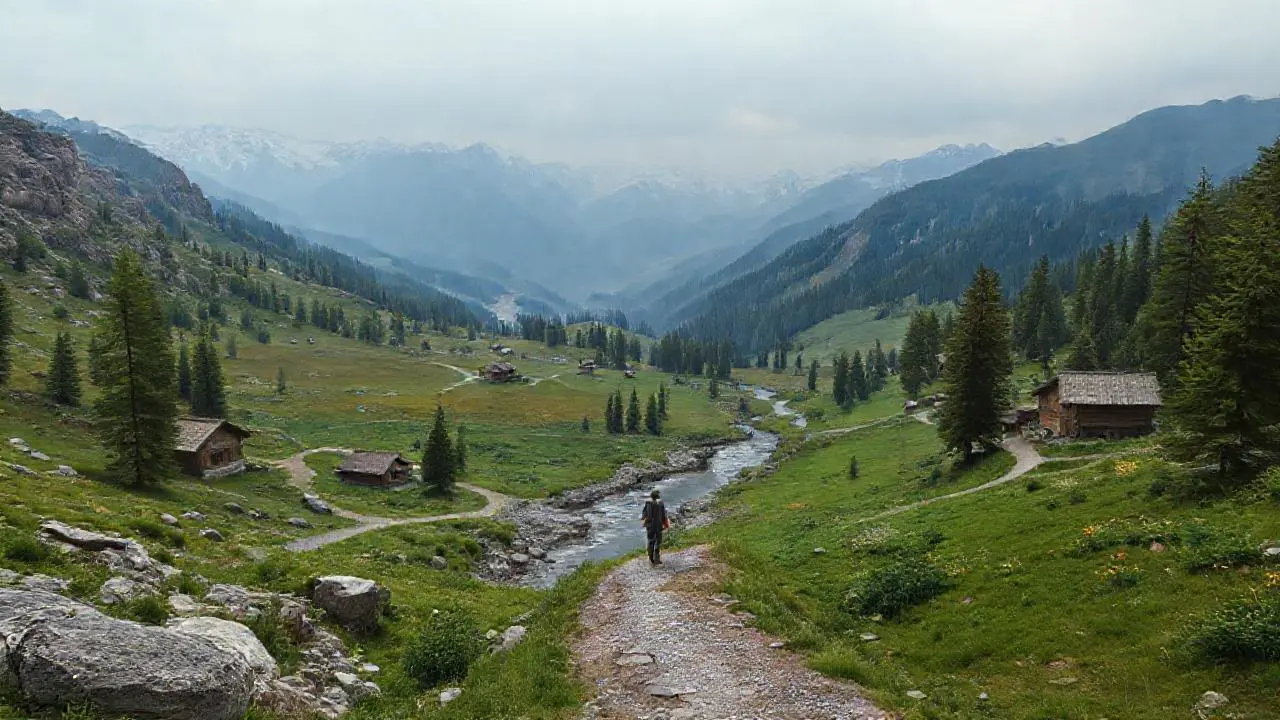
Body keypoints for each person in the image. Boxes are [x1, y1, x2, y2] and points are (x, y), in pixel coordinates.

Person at [641, 489, 669, 565]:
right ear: (658, 496)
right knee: (658, 541)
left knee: (650, 541)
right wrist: (666, 524)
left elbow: (644, 514)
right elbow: (664, 515)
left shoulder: (647, 503)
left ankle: (650, 558)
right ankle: (657, 558)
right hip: (658, 525)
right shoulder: (661, 503)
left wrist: (643, 521)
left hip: (649, 526)